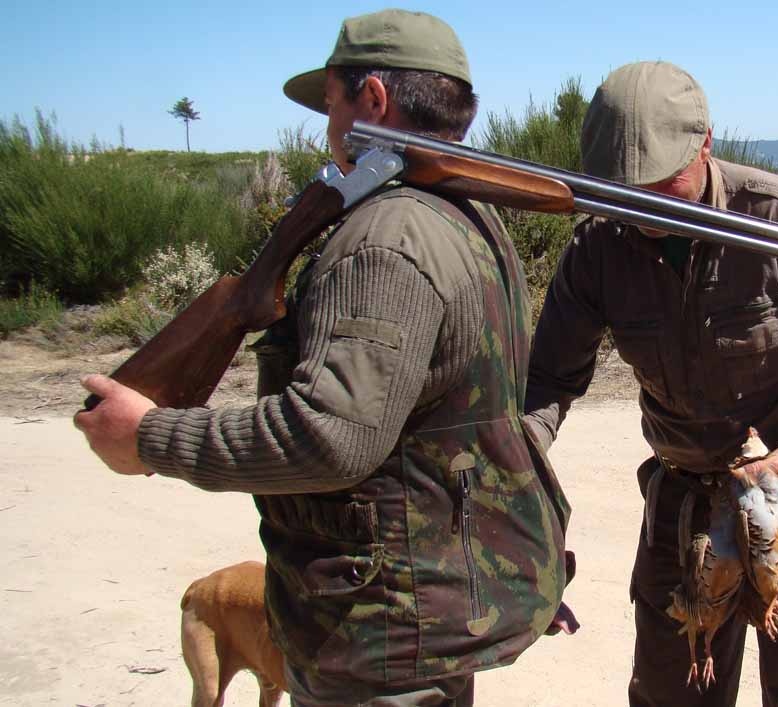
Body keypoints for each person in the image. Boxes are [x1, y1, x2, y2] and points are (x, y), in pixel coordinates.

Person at [75, 10, 570, 706]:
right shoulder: (467, 218)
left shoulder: (388, 235)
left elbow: (329, 437)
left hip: (377, 629)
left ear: (375, 99)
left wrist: (150, 436)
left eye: (332, 102)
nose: (326, 125)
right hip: (424, 606)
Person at [525, 61, 778, 707]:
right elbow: (547, 380)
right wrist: (515, 471)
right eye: (623, 188)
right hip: (684, 505)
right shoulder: (599, 244)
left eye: (662, 182)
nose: (642, 204)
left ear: (704, 143)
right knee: (673, 691)